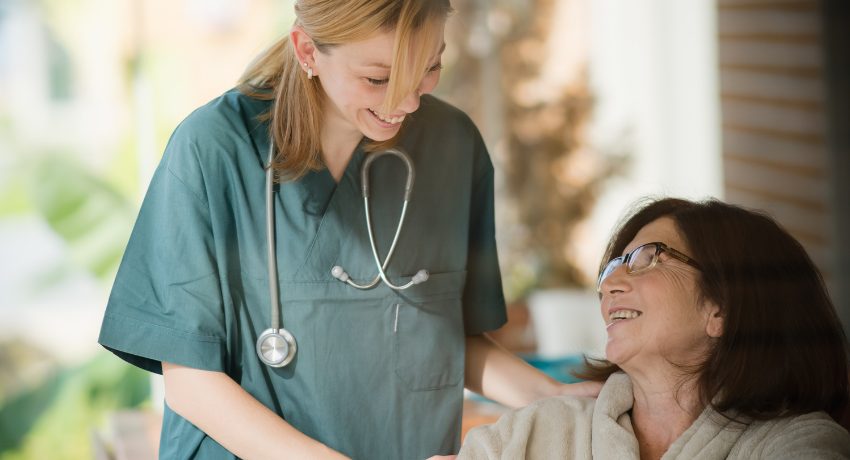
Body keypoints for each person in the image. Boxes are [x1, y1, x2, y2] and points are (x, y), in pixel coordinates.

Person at [97, 1, 598, 458]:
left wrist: (552, 397)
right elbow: (190, 381)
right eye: (378, 79)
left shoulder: (452, 146)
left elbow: (446, 335)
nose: (405, 102)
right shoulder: (214, 149)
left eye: (429, 68)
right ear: (308, 50)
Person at [456, 197, 850, 459]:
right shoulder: (542, 428)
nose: (609, 285)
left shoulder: (801, 446)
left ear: (722, 309)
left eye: (647, 258)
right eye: (611, 267)